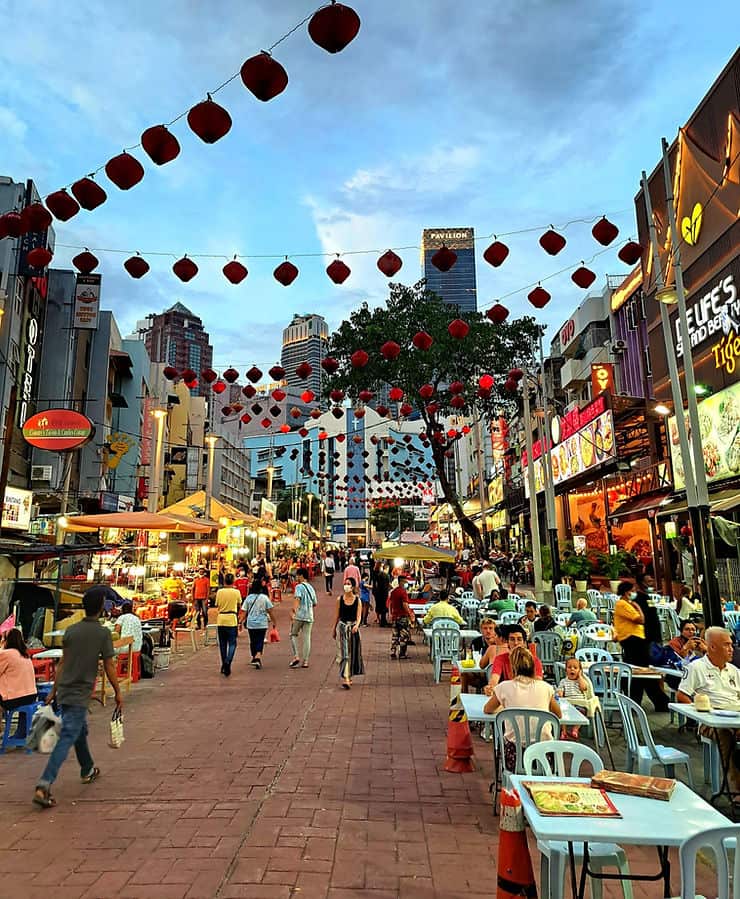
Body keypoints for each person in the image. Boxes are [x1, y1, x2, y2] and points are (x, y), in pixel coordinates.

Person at [32, 585, 123, 809]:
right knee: (68, 736)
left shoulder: (72, 631)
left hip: (64, 690)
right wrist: (118, 692)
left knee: (80, 731)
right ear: (102, 608)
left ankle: (87, 768)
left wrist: (54, 690)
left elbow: (62, 663)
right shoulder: (102, 633)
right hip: (80, 692)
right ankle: (44, 784)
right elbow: (110, 666)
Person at [677, 627, 740, 797]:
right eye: (727, 645)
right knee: (725, 735)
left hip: (736, 718)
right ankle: (736, 791)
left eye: (731, 645)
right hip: (711, 721)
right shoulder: (696, 667)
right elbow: (681, 695)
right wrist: (700, 713)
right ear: (712, 647)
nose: (731, 649)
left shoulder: (734, 671)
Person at [483, 646, 561, 771]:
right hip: (544, 753)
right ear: (533, 667)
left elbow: (487, 709)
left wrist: (506, 707)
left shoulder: (504, 687)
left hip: (515, 754)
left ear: (513, 668)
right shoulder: (545, 687)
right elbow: (558, 714)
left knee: (503, 739)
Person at [614, 581, 669, 712]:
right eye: (632, 590)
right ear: (627, 591)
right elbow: (641, 619)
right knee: (639, 672)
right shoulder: (624, 604)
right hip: (633, 640)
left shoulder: (639, 599)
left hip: (637, 639)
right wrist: (637, 607)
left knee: (642, 672)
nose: (634, 592)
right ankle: (646, 702)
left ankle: (657, 702)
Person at [333, 577, 362, 689]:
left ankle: (348, 676)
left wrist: (356, 625)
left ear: (353, 587)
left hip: (352, 629)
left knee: (351, 653)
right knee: (344, 654)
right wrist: (333, 629)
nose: (346, 586)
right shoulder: (339, 600)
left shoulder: (357, 600)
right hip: (342, 628)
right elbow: (336, 616)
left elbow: (358, 616)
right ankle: (346, 677)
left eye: (349, 584)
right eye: (345, 584)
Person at [241, 578, 276, 670]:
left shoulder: (248, 598)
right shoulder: (264, 598)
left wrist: (240, 621)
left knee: (253, 641)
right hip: (262, 623)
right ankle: (257, 656)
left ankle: (255, 656)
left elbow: (244, 612)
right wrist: (274, 621)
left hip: (251, 623)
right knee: (260, 640)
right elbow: (270, 611)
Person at [557, 657, 594, 739]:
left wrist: (580, 677)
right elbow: (560, 691)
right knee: (560, 713)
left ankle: (575, 729)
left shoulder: (581, 681)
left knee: (582, 711)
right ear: (566, 670)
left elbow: (584, 688)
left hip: (579, 704)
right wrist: (560, 693)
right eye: (569, 667)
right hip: (567, 705)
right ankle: (563, 731)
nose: (572, 669)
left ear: (580, 670)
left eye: (575, 668)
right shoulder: (563, 681)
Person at [0, 629, 36, 713]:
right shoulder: (25, 655)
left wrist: (1, 648)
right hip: (30, 696)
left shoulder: (6, 654)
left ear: (6, 640)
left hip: (14, 698)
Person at [289, 568, 317, 669]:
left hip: (299, 615)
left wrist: (293, 612)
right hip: (309, 615)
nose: (296, 577)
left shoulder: (299, 587)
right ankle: (306, 661)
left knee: (293, 634)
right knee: (307, 638)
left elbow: (297, 599)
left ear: (301, 576)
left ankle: (296, 656)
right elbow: (315, 603)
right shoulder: (311, 588)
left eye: (297, 575)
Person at [214, 573, 241, 676]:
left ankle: (223, 663)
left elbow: (217, 605)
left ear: (224, 581)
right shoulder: (236, 592)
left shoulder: (219, 592)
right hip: (232, 619)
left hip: (221, 619)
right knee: (232, 643)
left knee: (223, 644)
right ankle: (228, 661)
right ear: (233, 581)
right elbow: (239, 605)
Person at [388, 574, 414, 660]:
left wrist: (390, 614)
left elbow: (390, 604)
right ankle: (402, 654)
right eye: (405, 581)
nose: (406, 583)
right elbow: (405, 605)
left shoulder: (393, 591)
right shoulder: (403, 592)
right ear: (402, 582)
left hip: (395, 616)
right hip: (402, 617)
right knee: (403, 636)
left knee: (395, 635)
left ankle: (393, 651)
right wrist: (410, 614)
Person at [372, 563, 390, 627]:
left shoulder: (378, 574)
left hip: (379, 593)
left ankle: (382, 620)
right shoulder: (384, 575)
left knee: (381, 607)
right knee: (383, 608)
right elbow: (385, 586)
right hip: (383, 593)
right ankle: (383, 622)